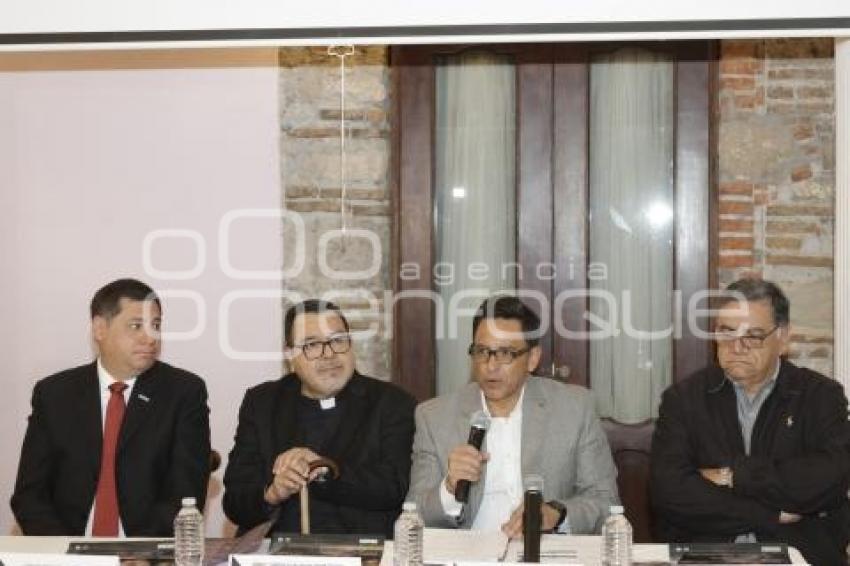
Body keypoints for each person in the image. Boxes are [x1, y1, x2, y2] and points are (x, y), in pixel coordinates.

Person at [651, 278, 850, 565]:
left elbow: (828, 478)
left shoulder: (820, 395)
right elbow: (670, 491)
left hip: (800, 554)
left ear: (783, 338)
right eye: (727, 333)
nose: (737, 347)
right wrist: (768, 514)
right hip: (706, 555)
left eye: (753, 335)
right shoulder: (684, 399)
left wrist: (734, 476)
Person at [11, 278, 211, 536]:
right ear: (100, 328)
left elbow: (186, 492)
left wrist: (142, 554)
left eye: (156, 325)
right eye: (136, 326)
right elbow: (30, 496)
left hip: (144, 554)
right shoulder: (54, 394)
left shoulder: (183, 392)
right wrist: (64, 554)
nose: (150, 338)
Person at [407, 295, 619, 537]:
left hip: (545, 556)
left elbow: (607, 504)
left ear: (532, 358)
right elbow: (413, 515)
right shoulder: (434, 417)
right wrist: (449, 488)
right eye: (482, 351)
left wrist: (556, 514)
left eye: (505, 353)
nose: (490, 365)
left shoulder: (575, 408)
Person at [223, 299, 416, 537]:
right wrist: (273, 492)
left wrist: (323, 468)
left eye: (337, 340)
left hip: (359, 555)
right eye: (312, 345)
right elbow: (234, 501)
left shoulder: (391, 403)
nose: (329, 355)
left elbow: (395, 486)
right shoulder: (262, 403)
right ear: (289, 354)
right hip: (276, 554)